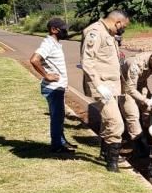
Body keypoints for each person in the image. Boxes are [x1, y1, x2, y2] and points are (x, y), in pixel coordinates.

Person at [81, 10, 130, 172]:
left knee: (107, 121)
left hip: (111, 86)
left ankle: (105, 153)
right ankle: (112, 163)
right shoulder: (95, 32)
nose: (123, 29)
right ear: (117, 22)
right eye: (123, 26)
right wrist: (98, 85)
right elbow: (87, 62)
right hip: (102, 86)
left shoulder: (108, 33)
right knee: (116, 123)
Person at [29, 18, 77, 154]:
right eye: (63, 29)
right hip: (52, 89)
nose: (65, 31)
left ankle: (61, 141)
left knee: (60, 116)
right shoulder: (48, 43)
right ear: (54, 30)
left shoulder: (55, 43)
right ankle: (57, 146)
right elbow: (34, 59)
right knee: (57, 118)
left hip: (57, 88)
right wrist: (46, 75)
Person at [119, 50, 152, 155]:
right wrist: (145, 100)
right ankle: (139, 145)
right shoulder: (136, 64)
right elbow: (130, 89)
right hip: (126, 86)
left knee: (148, 110)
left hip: (141, 83)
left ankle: (148, 136)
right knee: (132, 114)